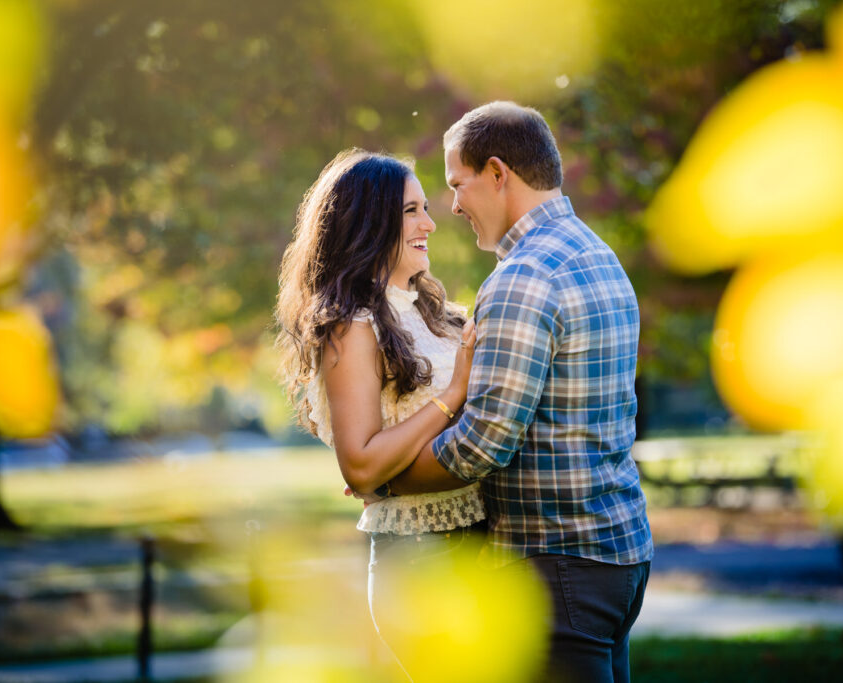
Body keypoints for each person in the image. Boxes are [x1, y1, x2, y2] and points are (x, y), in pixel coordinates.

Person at [385, 102, 654, 683]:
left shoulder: (523, 277)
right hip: (618, 553)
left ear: (498, 173)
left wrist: (386, 478)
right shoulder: (597, 256)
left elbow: (481, 446)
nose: (451, 205)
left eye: (459, 184)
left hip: (556, 566)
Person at [274, 149, 485, 678]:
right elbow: (363, 467)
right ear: (370, 222)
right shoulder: (351, 326)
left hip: (476, 545)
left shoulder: (436, 316)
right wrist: (453, 392)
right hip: (421, 560)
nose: (430, 223)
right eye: (411, 211)